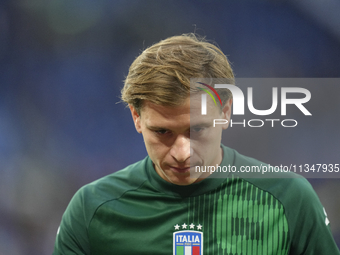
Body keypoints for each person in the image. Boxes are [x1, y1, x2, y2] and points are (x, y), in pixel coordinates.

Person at [53, 34, 340, 255]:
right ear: (136, 117)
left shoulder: (289, 199)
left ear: (226, 111)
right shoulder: (92, 209)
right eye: (162, 132)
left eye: (198, 129)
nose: (182, 153)